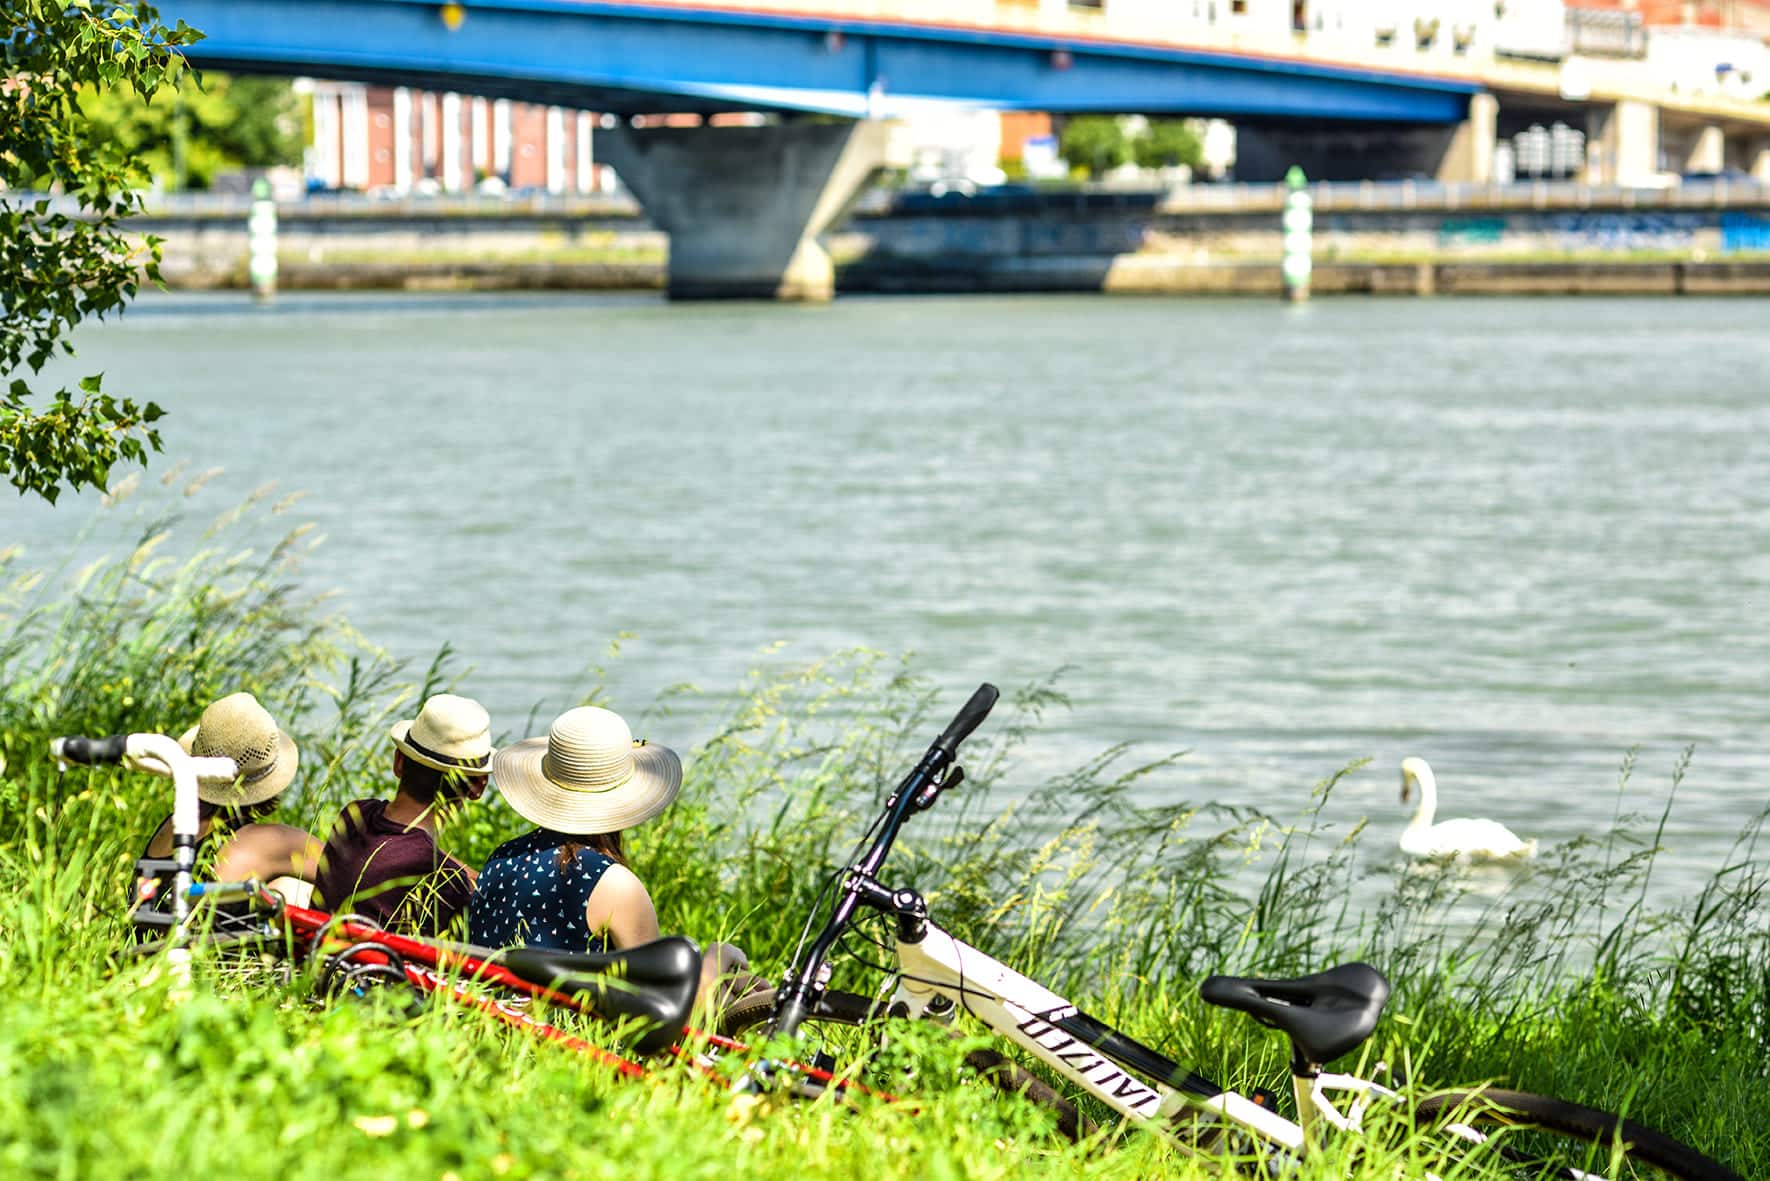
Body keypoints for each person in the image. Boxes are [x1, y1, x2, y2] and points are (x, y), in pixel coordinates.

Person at [468, 705, 749, 1007]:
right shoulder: (614, 884)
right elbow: (661, 1005)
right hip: (573, 1046)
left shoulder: (500, 859)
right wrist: (718, 959)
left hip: (498, 1030)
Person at [311, 693, 491, 936]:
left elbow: (399, 848)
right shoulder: (446, 882)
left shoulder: (353, 816)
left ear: (398, 762)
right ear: (478, 786)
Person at [136, 691, 320, 926]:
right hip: (209, 960)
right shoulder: (268, 842)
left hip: (148, 956)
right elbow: (352, 873)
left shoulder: (174, 824)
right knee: (292, 889)